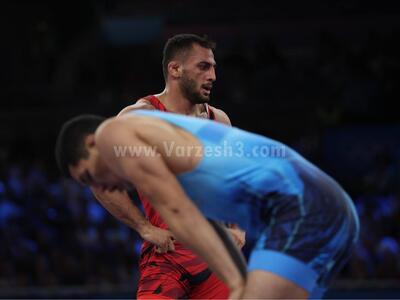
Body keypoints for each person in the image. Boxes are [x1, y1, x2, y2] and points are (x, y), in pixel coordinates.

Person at [55, 110, 359, 299]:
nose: (100, 187)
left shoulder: (112, 132)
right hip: (331, 208)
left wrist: (236, 284)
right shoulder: (169, 142)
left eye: (88, 176)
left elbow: (177, 212)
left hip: (299, 207)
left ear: (93, 143)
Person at [91, 34, 245, 299]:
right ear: (175, 69)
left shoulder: (218, 120)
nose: (213, 76)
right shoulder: (140, 117)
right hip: (167, 258)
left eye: (214, 67)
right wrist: (145, 228)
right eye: (204, 67)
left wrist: (238, 227)